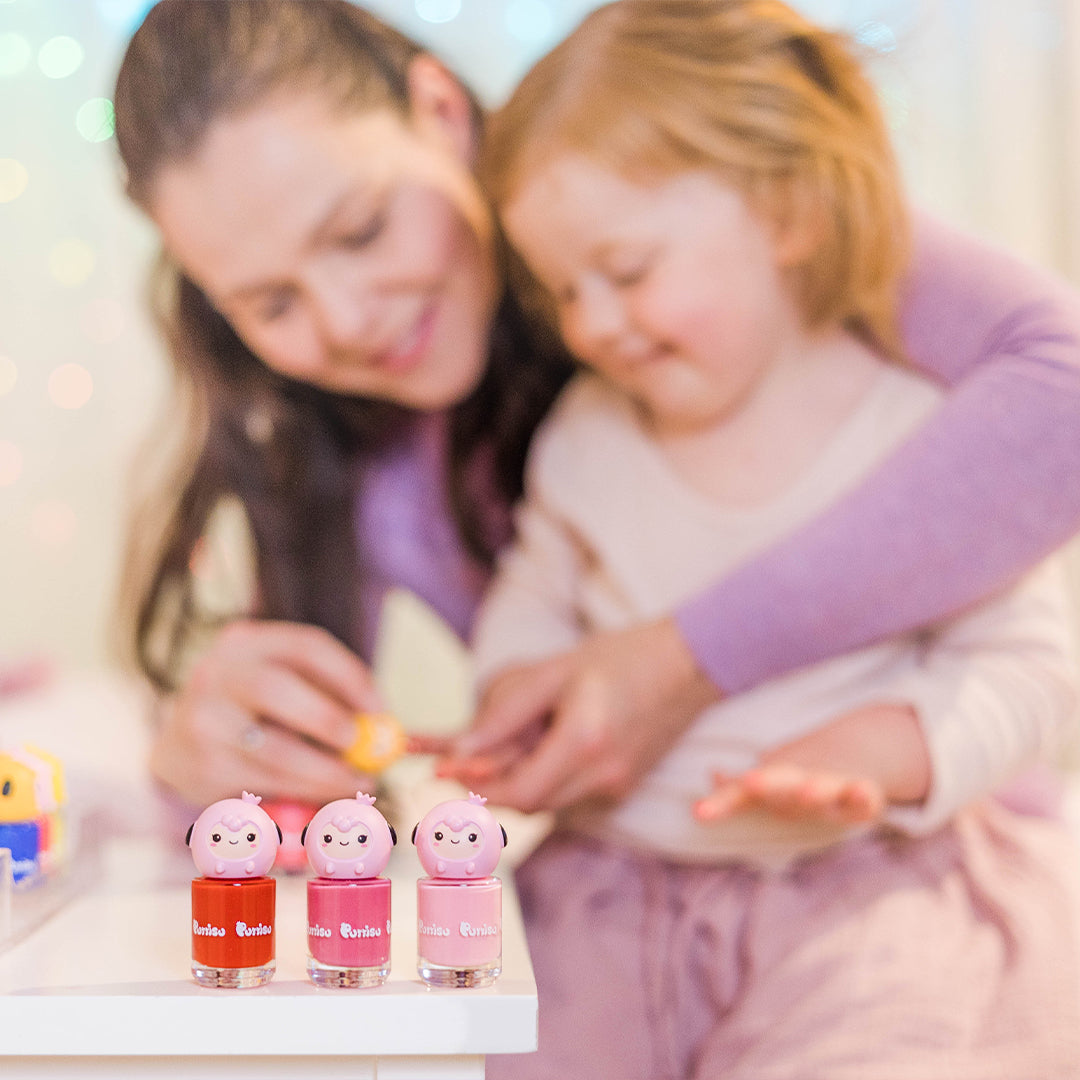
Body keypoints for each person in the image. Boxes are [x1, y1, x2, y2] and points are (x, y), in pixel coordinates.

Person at [112, 0, 1080, 819]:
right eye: (268, 304)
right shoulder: (349, 455)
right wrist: (203, 769)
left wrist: (681, 661)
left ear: (441, 112)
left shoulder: (673, 193)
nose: (345, 321)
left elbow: (1064, 393)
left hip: (922, 866)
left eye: (362, 229)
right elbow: (307, 813)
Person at [460, 2, 1080, 1075]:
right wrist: (519, 685)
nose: (594, 324)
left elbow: (1031, 667)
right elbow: (532, 590)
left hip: (860, 888)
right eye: (563, 290)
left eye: (628, 269)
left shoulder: (919, 425)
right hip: (612, 885)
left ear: (786, 214)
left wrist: (894, 746)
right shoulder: (587, 434)